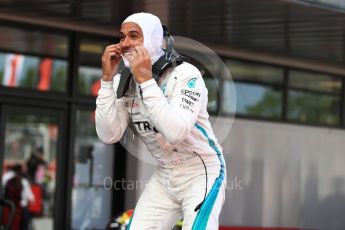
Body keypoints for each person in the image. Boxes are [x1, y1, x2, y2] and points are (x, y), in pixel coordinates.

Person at [96, 12, 226, 230]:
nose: (125, 43)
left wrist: (146, 80)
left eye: (134, 36)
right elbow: (108, 134)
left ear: (153, 39)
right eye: (122, 37)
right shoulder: (123, 81)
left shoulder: (185, 74)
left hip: (201, 172)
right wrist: (107, 81)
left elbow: (176, 132)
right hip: (165, 174)